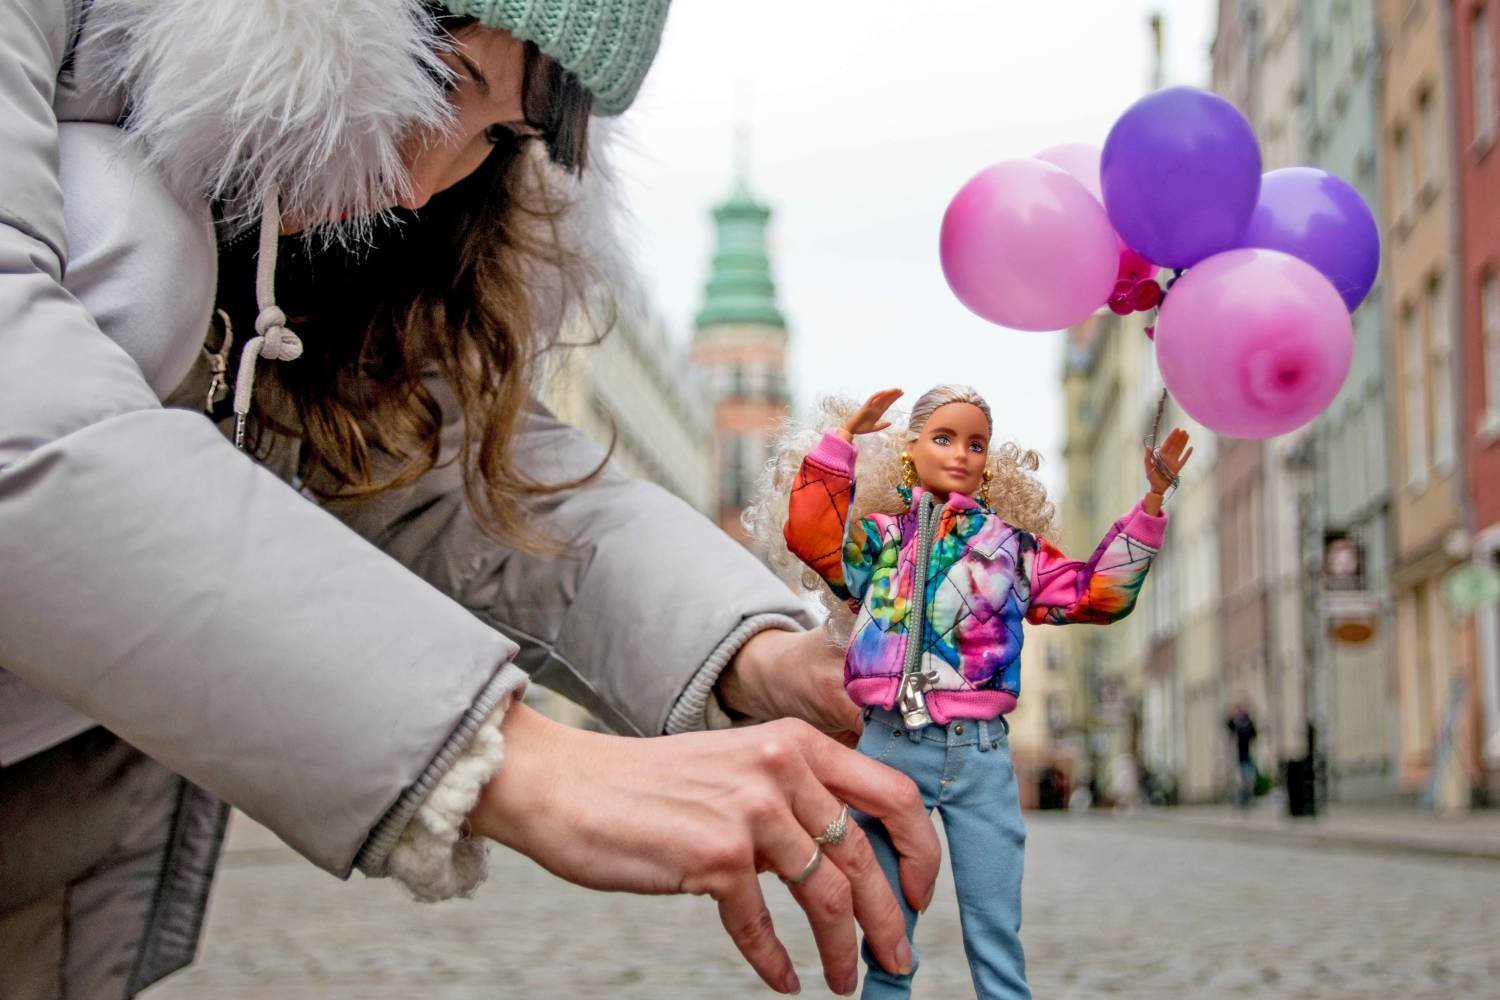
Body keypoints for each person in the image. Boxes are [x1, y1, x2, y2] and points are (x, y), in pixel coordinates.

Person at [0, 1, 942, 996]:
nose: (418, 183)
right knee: (128, 238)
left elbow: (448, 471)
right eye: (437, 77)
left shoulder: (351, 228)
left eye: (498, 135)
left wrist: (763, 652)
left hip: (43, 820)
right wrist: (508, 756)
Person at [765, 385, 1191, 999]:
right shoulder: (880, 541)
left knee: (995, 930)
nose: (961, 453)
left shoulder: (1010, 549)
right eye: (944, 438)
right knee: (886, 931)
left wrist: (1150, 503)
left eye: (976, 443)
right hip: (888, 749)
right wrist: (841, 444)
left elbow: (1097, 593)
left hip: (980, 756)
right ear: (911, 449)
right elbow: (813, 536)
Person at [1226, 701, 1259, 810]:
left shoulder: (1247, 722)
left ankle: (1247, 798)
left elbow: (1254, 734)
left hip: (1248, 754)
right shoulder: (1235, 723)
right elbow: (1228, 726)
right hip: (1239, 756)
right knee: (1242, 779)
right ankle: (1243, 800)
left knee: (1250, 778)